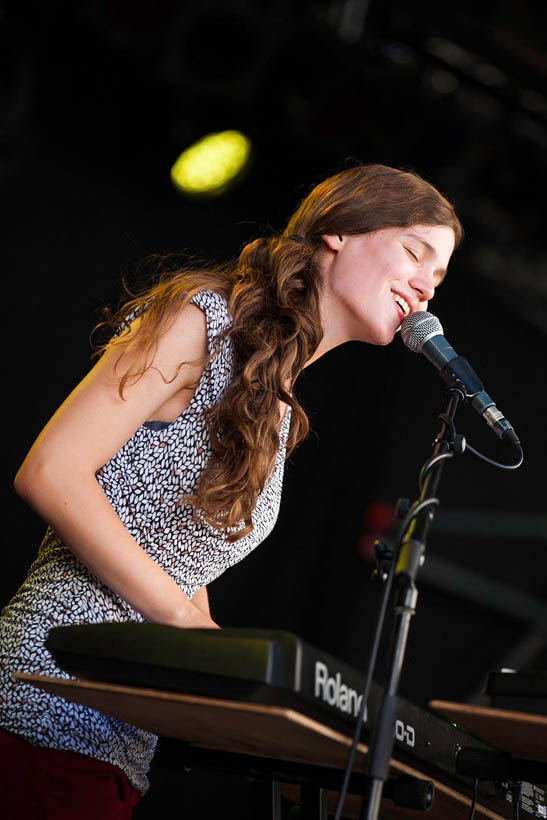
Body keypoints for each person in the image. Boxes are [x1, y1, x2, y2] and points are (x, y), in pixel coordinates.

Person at [0, 163, 461, 818]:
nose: (425, 285)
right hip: (42, 703)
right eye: (415, 253)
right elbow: (51, 470)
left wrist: (220, 664)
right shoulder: (202, 321)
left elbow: (183, 560)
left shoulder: (273, 400)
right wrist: (187, 627)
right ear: (337, 233)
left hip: (119, 738)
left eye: (438, 277)